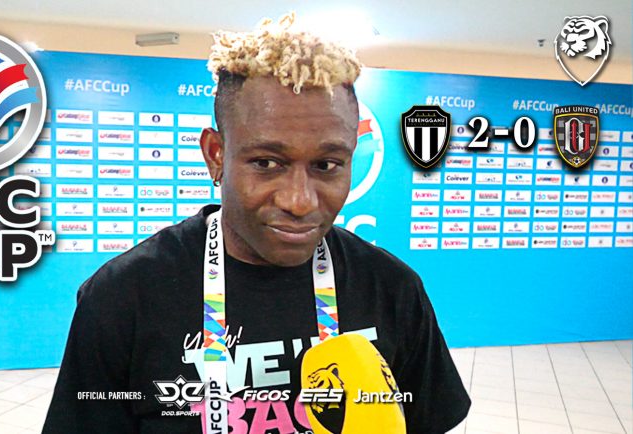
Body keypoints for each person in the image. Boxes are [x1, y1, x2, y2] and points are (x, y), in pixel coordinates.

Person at [43, 13, 470, 434]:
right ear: (215, 155)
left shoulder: (391, 288)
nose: (300, 202)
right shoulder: (124, 296)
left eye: (326, 165)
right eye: (266, 163)